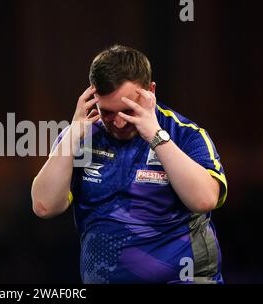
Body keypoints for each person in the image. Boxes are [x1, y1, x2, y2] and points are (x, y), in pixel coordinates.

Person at [31, 45, 227, 284]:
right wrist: (72, 136)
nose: (119, 123)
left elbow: (204, 199)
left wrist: (155, 136)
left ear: (150, 91)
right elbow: (44, 206)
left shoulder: (185, 134)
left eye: (127, 110)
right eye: (108, 112)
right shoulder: (80, 138)